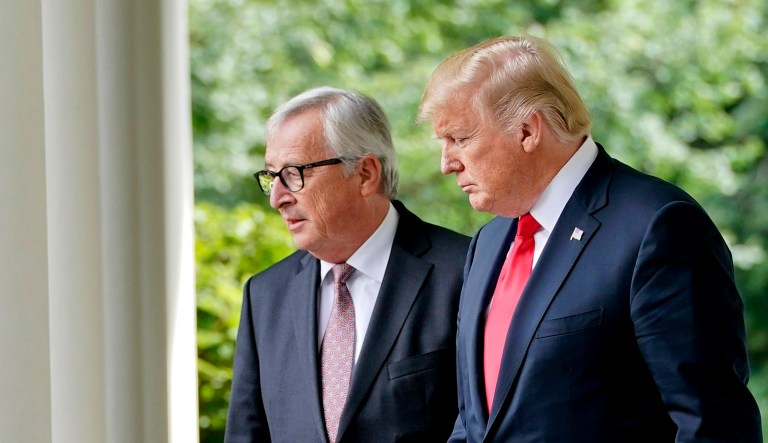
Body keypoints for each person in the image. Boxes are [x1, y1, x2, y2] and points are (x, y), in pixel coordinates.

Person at [417, 36, 763, 442]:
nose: (446, 164)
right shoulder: (488, 243)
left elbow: (713, 425)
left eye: (459, 139)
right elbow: (476, 422)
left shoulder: (659, 226)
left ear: (527, 130)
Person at [224, 86, 470, 443]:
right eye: (271, 177)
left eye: (293, 173)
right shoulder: (265, 295)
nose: (277, 198)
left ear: (365, 173)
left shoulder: (466, 272)